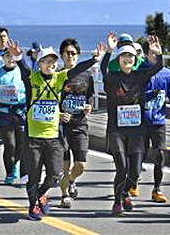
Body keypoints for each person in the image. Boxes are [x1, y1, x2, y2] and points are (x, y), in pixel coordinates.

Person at [6, 39, 104, 221]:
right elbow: (23, 67)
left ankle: (40, 195)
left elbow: (75, 70)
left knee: (55, 175)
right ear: (39, 64)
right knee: (34, 177)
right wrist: (18, 56)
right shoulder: (32, 78)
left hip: (54, 137)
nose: (50, 64)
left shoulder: (60, 77)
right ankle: (33, 206)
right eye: (46, 60)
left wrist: (94, 59)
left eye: (53, 61)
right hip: (33, 137)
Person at [101, 32, 163, 217]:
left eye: (130, 56)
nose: (127, 58)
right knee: (122, 168)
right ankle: (117, 201)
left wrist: (157, 53)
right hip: (116, 131)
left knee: (135, 172)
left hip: (137, 130)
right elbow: (103, 69)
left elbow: (158, 66)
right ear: (119, 59)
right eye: (123, 56)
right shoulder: (112, 77)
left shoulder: (140, 76)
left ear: (135, 59)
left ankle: (125, 191)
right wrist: (109, 52)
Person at [58, 38, 95, 208]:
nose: (70, 56)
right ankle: (65, 195)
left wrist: (90, 106)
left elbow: (91, 96)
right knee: (64, 166)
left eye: (73, 53)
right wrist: (59, 114)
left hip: (80, 124)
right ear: (61, 56)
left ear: (78, 56)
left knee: (81, 165)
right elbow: (50, 100)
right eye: (67, 53)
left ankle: (71, 180)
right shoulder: (57, 76)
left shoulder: (87, 76)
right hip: (62, 126)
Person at [0, 49, 26, 185]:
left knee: (20, 145)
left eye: (13, 55)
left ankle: (16, 164)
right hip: (3, 113)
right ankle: (9, 172)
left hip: (21, 112)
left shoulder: (23, 73)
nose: (11, 58)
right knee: (10, 144)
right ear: (2, 58)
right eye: (7, 56)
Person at [141, 40, 170, 203]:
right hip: (140, 122)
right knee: (139, 154)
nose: (155, 55)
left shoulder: (167, 73)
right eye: (152, 52)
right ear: (146, 54)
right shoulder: (138, 71)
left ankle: (156, 189)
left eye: (158, 52)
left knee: (159, 154)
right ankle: (132, 183)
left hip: (159, 121)